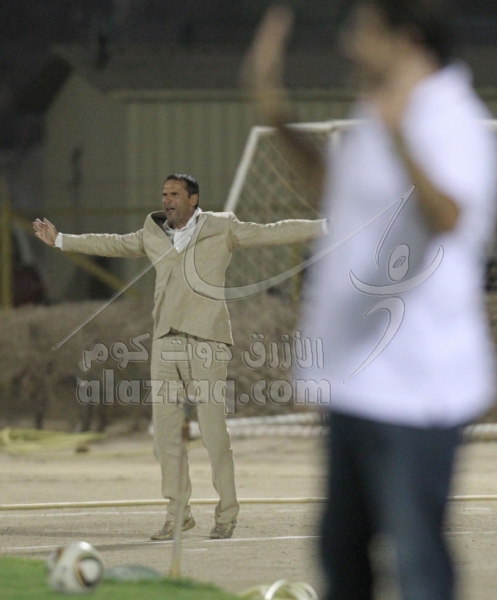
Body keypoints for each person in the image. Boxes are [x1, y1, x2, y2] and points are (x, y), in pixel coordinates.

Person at [243, 1, 497, 598]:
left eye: (362, 30)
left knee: (418, 562)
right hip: (359, 377)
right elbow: (339, 192)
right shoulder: (379, 106)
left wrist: (401, 138)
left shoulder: (452, 118)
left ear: (405, 40)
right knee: (342, 555)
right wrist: (275, 110)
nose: (348, 43)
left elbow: (448, 216)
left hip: (418, 387)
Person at [33, 173, 327, 540]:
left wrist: (326, 226)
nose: (167, 199)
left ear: (193, 199)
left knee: (214, 433)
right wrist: (61, 239)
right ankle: (177, 515)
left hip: (207, 343)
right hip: (165, 344)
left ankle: (227, 514)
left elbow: (273, 231)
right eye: (164, 193)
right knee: (165, 437)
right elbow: (112, 243)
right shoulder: (151, 232)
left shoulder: (222, 227)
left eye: (174, 193)